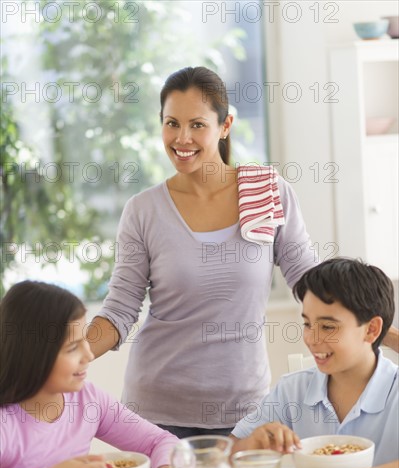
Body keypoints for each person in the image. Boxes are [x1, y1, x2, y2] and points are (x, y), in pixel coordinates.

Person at [87, 66, 398, 438]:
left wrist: (390, 338)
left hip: (245, 411)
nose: (182, 138)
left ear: (225, 125)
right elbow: (120, 311)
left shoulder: (266, 193)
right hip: (157, 411)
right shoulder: (144, 211)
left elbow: (315, 287)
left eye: (197, 125)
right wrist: (59, 361)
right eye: (172, 123)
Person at [0, 281, 179, 468]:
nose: (89, 355)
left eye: (85, 340)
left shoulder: (87, 400)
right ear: (34, 356)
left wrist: (166, 467)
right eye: (73, 347)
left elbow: (159, 441)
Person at [230, 258, 399, 468]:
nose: (311, 338)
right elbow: (224, 457)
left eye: (328, 327)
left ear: (371, 329)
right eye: (307, 324)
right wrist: (252, 445)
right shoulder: (292, 390)